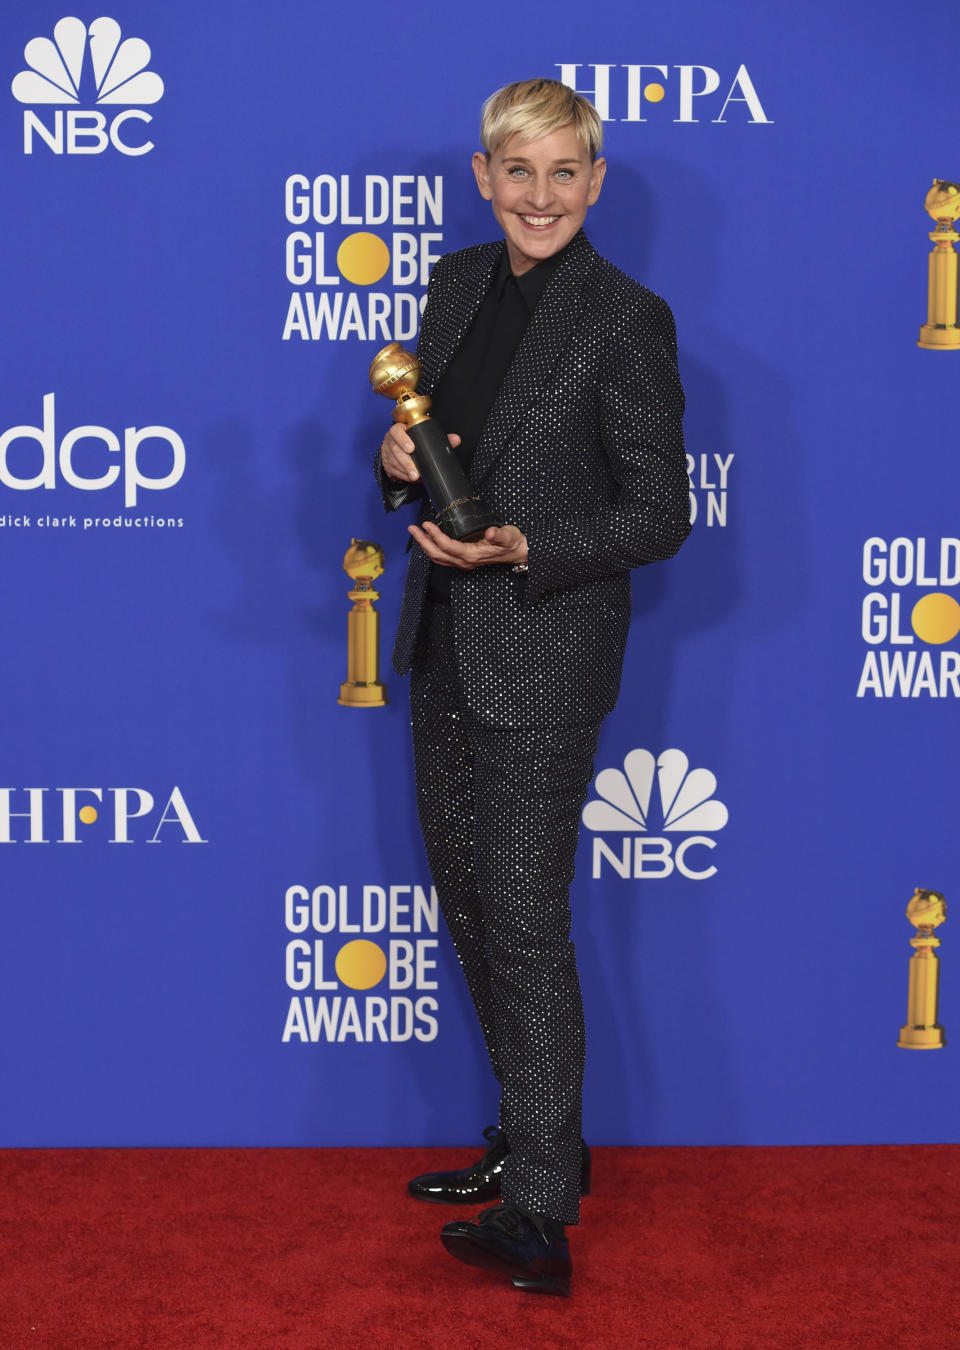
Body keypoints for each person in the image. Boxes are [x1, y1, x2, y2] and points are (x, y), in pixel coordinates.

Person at [374, 78, 690, 1297]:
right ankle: (527, 1135)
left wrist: (522, 547)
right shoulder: (455, 285)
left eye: (566, 173)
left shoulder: (626, 318)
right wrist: (398, 456)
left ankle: (545, 1212)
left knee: (522, 914)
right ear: (484, 175)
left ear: (597, 182)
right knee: (471, 903)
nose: (541, 196)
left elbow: (660, 512)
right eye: (520, 172)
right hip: (444, 640)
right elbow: (431, 446)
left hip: (545, 652)